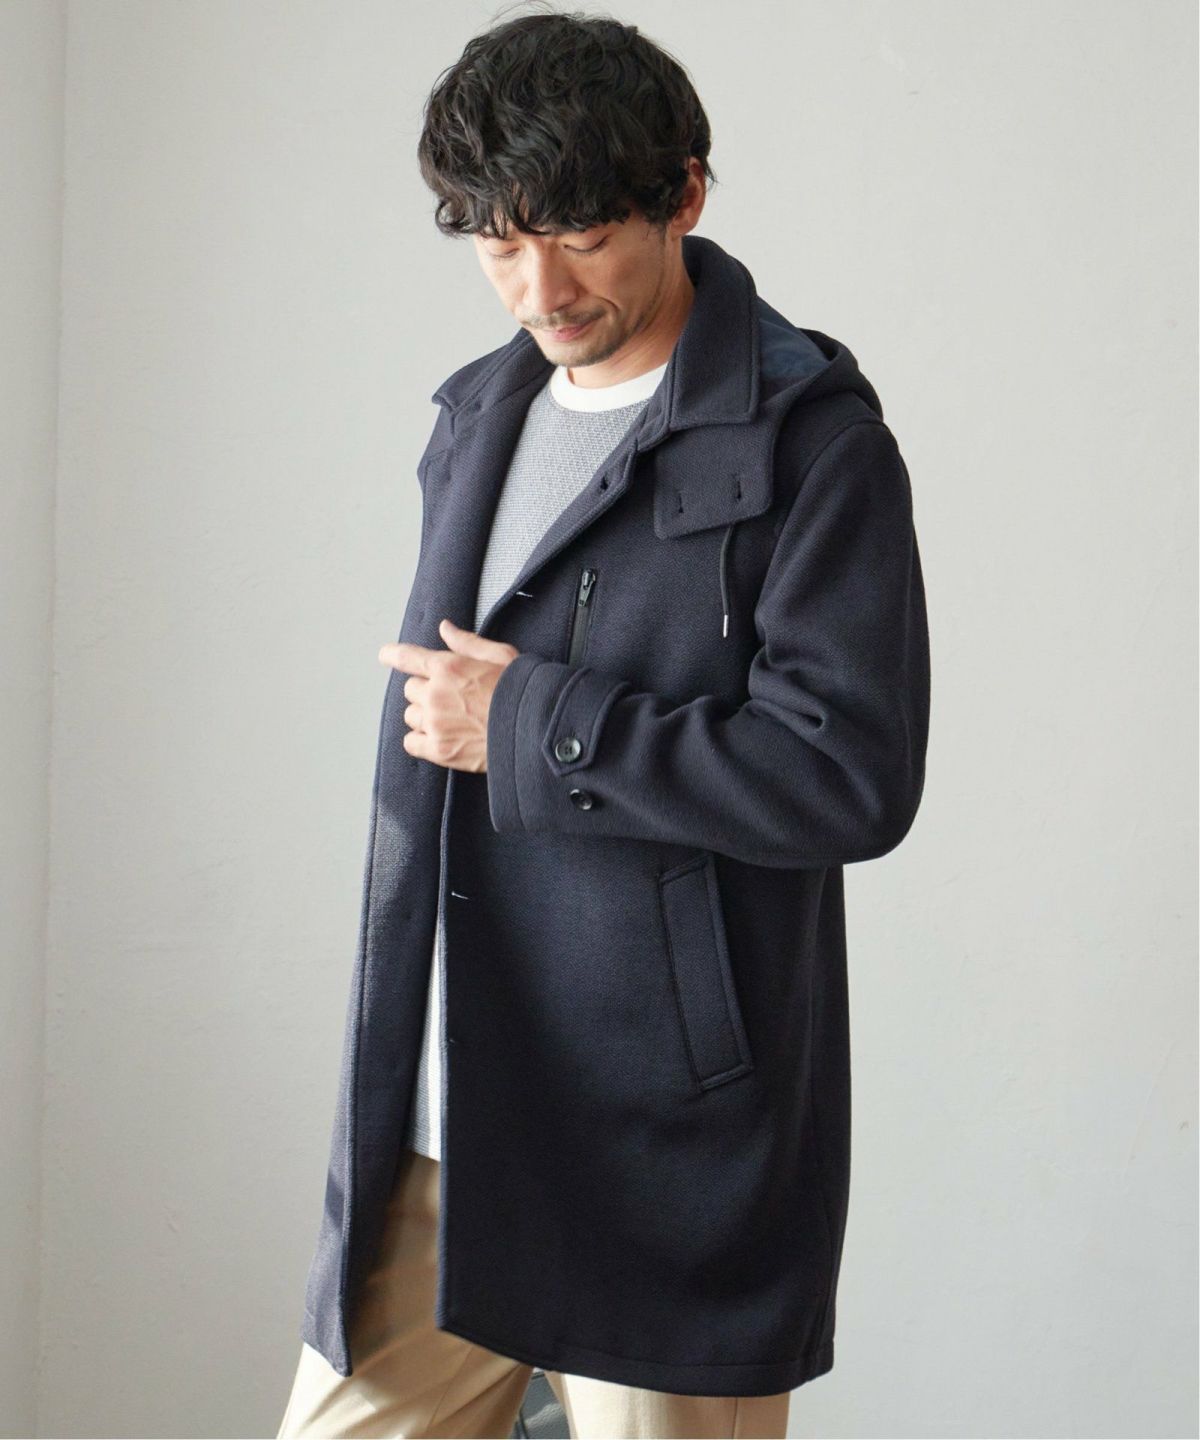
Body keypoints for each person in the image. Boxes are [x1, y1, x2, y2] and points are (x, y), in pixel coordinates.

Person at [277, 6, 930, 1437]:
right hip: (443, 1122)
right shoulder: (479, 414)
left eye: (579, 235)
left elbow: (848, 776)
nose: (539, 288)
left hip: (660, 1151)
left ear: (682, 194)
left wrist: (531, 724)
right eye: (498, 243)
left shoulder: (813, 442)